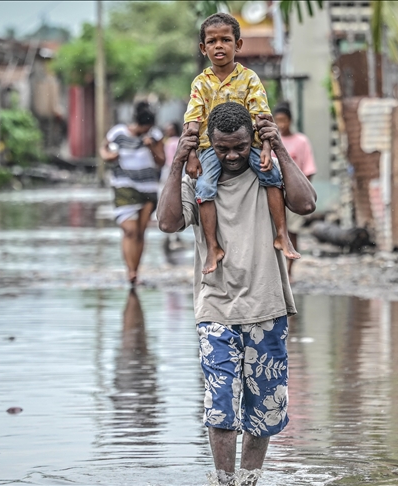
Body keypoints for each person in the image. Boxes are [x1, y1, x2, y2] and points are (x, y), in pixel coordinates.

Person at [157, 101, 316, 486]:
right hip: (215, 308)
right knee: (220, 406)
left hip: (267, 306)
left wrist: (277, 147)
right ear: (211, 143)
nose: (231, 155)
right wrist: (178, 161)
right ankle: (225, 481)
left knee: (264, 408)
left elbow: (307, 203)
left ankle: (250, 480)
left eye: (240, 147)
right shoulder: (198, 182)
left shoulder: (268, 174)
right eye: (224, 147)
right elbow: (166, 222)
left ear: (251, 141)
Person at [183, 12, 299, 276]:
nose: (219, 46)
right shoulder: (201, 83)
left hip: (251, 143)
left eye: (226, 40)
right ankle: (213, 246)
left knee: (272, 175)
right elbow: (192, 121)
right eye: (212, 42)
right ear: (204, 48)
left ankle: (282, 233)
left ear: (238, 45)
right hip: (211, 148)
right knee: (204, 187)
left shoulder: (250, 79)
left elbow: (262, 116)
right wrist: (191, 155)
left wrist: (267, 150)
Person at [99, 101, 165, 285]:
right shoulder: (118, 133)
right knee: (130, 230)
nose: (146, 131)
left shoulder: (155, 136)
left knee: (141, 232)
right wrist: (109, 156)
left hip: (148, 187)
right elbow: (104, 149)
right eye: (144, 128)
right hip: (124, 185)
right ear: (138, 123)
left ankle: (135, 272)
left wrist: (151, 147)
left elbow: (161, 161)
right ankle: (130, 271)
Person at [273, 102, 317, 279]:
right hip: (274, 192)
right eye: (278, 121)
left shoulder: (301, 141)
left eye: (284, 120)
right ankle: (278, 269)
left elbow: (309, 169)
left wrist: (303, 194)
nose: (281, 125)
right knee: (275, 230)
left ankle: (289, 268)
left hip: (294, 193)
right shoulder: (270, 140)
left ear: (290, 121)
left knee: (292, 231)